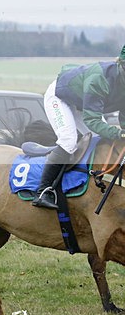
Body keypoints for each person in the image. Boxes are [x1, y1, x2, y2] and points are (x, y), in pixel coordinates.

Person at [32, 45, 125, 209]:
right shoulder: (100, 79)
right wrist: (118, 133)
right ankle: (43, 191)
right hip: (60, 97)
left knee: (97, 141)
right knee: (69, 141)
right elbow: (92, 120)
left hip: (84, 103)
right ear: (121, 65)